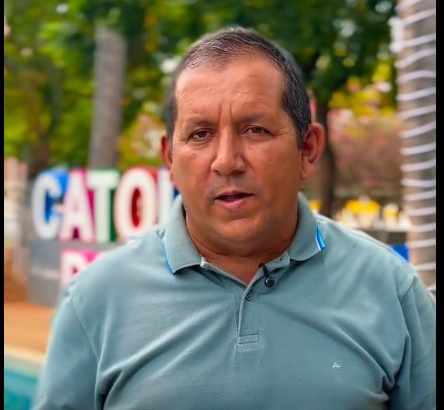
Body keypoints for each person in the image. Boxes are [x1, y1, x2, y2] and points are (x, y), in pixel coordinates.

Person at [33, 27, 436, 410]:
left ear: (307, 149)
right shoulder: (94, 301)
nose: (226, 161)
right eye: (200, 134)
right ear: (170, 159)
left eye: (255, 129)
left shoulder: (390, 291)